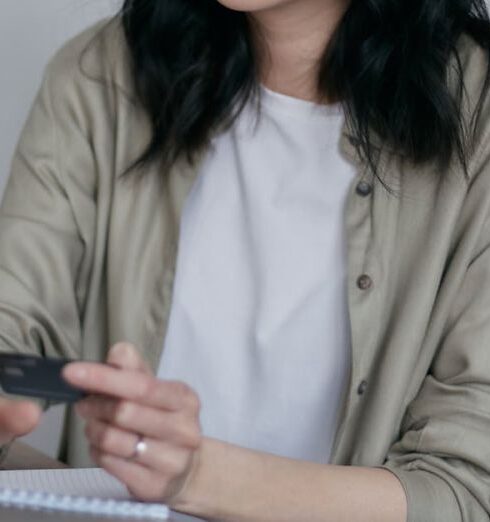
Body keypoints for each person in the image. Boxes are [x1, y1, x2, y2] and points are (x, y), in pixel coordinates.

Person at [1, 0, 490, 520]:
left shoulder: (478, 118)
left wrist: (197, 476)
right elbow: (13, 319)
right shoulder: (102, 74)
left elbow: (466, 489)